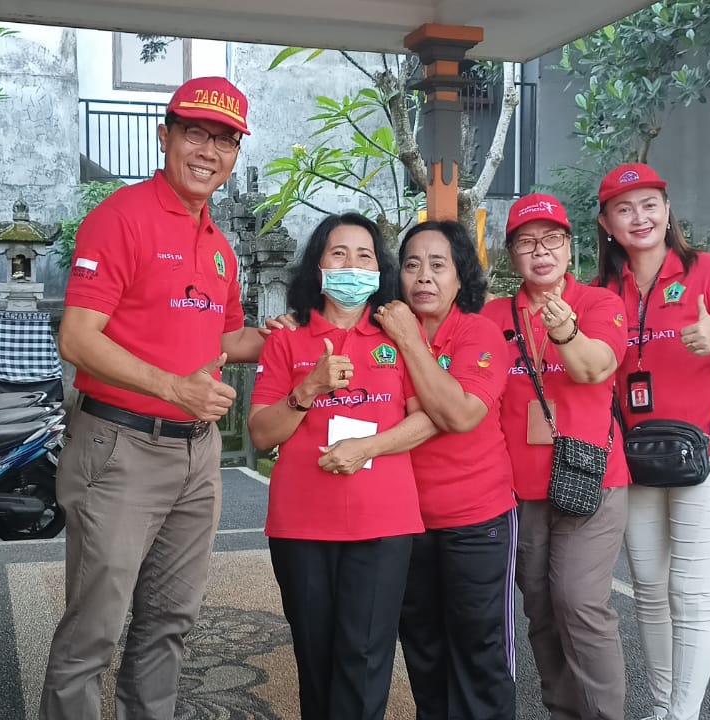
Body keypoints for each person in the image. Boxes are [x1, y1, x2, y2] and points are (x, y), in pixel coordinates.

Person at [41, 76, 270, 720]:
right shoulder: (120, 219)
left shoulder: (219, 247)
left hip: (197, 458)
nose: (208, 151)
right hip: (120, 448)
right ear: (164, 136)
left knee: (170, 620)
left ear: (235, 155)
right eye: (195, 133)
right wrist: (174, 388)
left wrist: (287, 337)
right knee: (95, 628)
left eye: (224, 140)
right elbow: (77, 337)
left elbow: (227, 337)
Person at [592, 164, 710, 720]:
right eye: (624, 209)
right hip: (637, 459)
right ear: (606, 223)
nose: (639, 217)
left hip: (707, 457)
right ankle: (663, 706)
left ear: (668, 212)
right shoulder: (601, 292)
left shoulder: (706, 272)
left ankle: (683, 715)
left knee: (690, 594)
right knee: (648, 588)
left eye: (650, 205)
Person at [247, 212, 434, 720]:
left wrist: (367, 448)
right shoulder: (287, 338)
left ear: (379, 270)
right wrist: (308, 388)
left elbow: (428, 419)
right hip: (302, 524)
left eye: (364, 256)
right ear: (319, 266)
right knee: (315, 658)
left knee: (366, 659)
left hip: (383, 523)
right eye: (339, 253)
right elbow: (261, 434)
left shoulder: (399, 336)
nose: (352, 264)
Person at [481, 193, 630, 720]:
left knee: (579, 602)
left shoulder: (599, 304)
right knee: (541, 607)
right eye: (526, 242)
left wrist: (565, 330)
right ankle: (564, 711)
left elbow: (594, 368)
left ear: (570, 248)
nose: (540, 251)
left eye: (551, 240)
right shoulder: (494, 316)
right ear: (511, 255)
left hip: (592, 476)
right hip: (521, 487)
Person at [377, 220, 517, 720]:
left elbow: (459, 415)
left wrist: (409, 340)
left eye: (438, 265)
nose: (424, 277)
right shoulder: (380, 335)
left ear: (461, 276)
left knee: (479, 649)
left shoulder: (479, 333)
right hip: (405, 521)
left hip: (475, 520)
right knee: (423, 648)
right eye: (412, 264)